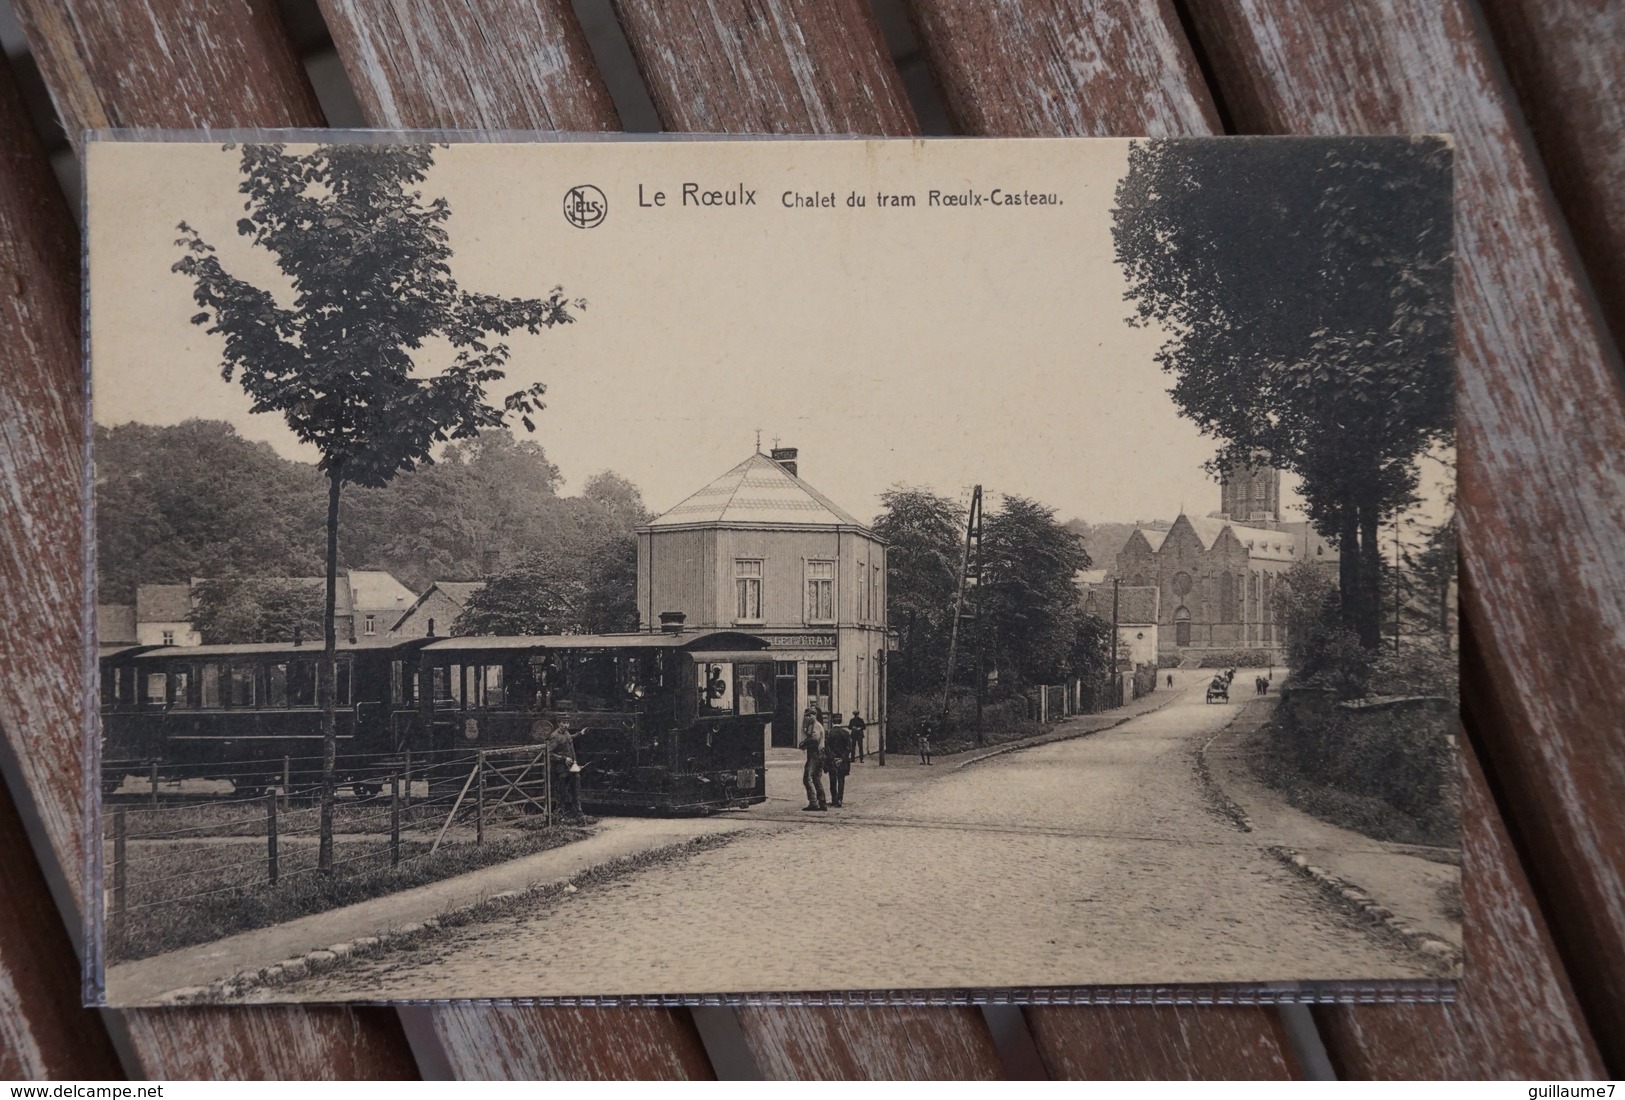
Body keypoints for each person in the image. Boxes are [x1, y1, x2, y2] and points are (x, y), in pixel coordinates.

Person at [799, 707, 827, 811]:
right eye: (806, 715)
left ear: (814, 715)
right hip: (818, 755)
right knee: (816, 779)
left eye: (809, 715)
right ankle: (822, 802)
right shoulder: (815, 725)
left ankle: (814, 803)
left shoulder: (815, 725)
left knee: (807, 778)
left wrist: (804, 743)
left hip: (815, 755)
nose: (807, 717)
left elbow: (814, 739)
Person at [825, 718, 853, 807]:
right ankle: (840, 799)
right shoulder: (846, 733)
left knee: (832, 780)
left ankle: (834, 799)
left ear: (832, 722)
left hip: (831, 760)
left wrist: (833, 757)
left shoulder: (829, 733)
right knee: (841, 779)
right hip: (842, 760)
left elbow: (826, 747)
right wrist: (842, 758)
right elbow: (849, 747)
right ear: (841, 722)